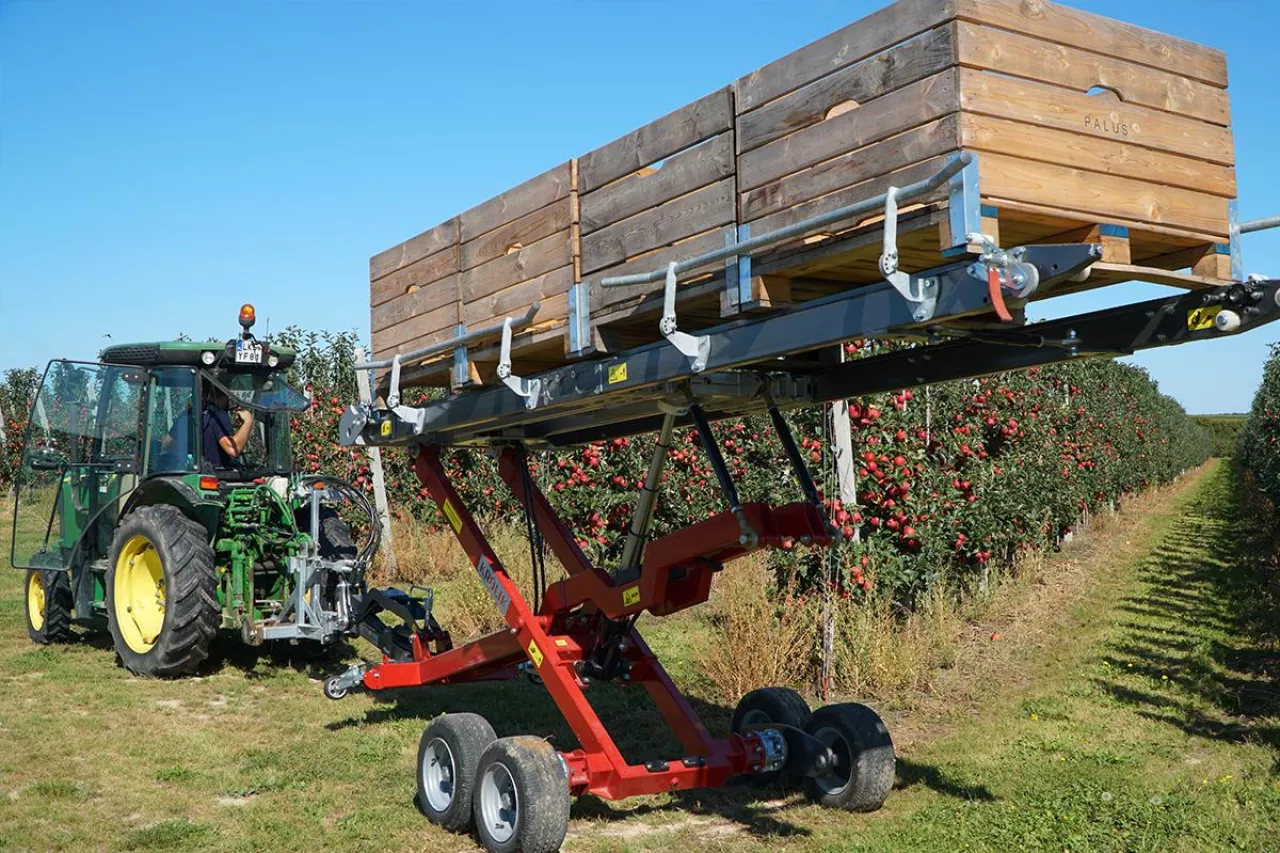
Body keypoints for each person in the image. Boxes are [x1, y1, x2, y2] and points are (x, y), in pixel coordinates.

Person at [201, 382, 255, 470]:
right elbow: (233, 449)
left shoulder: (188, 416)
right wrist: (248, 421)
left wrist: (240, 430)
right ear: (224, 394)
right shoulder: (218, 414)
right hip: (217, 476)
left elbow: (170, 442)